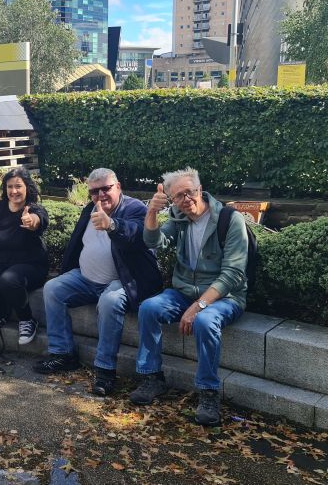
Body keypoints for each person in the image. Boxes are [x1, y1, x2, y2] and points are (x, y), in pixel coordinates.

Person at [130, 167, 248, 426]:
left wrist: (199, 306)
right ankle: (152, 378)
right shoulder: (180, 218)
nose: (186, 200)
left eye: (190, 192)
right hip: (184, 292)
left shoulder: (229, 219)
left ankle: (208, 392)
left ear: (200, 189)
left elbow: (233, 274)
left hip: (223, 297)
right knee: (149, 308)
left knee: (205, 322)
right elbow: (154, 242)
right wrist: (151, 211)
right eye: (178, 197)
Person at [33, 168, 162, 398]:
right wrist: (66, 270)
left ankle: (105, 370)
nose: (100, 195)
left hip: (123, 280)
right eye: (94, 191)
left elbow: (137, 235)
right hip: (86, 279)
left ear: (118, 187)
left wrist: (112, 225)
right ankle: (63, 354)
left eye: (106, 188)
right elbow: (76, 244)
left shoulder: (135, 208)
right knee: (53, 288)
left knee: (110, 301)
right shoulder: (89, 210)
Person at [0, 167, 48, 346]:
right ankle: (2, 314)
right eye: (10, 186)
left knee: (8, 280)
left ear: (27, 187)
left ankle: (27, 319)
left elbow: (39, 221)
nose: (14, 191)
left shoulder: (34, 209)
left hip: (30, 264)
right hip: (0, 262)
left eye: (18, 186)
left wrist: (31, 222)